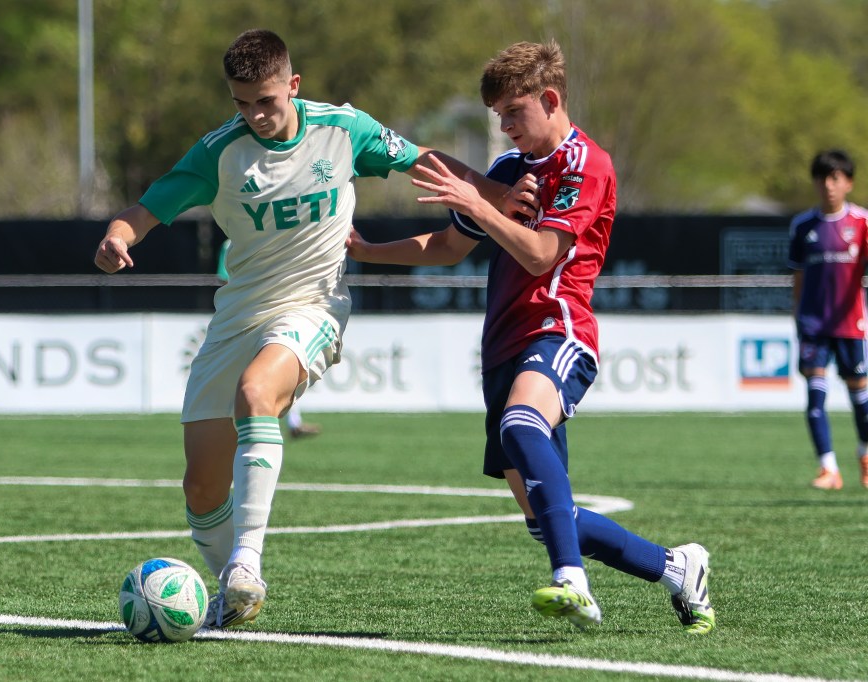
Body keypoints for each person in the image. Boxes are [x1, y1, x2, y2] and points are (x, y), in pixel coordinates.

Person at [94, 29, 504, 629]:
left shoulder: (343, 129)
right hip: (238, 312)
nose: (255, 115)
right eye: (242, 103)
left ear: (293, 85)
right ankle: (232, 595)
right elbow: (146, 210)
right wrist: (117, 237)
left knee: (257, 393)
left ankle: (246, 564)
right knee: (202, 488)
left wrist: (495, 194)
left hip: (314, 302)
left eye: (266, 100)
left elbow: (428, 162)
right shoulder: (219, 153)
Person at [347, 40, 715, 634]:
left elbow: (544, 255)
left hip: (559, 328)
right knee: (548, 516)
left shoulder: (585, 164)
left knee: (523, 425)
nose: (506, 127)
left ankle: (572, 579)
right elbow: (449, 246)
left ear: (550, 100)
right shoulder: (507, 172)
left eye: (514, 113)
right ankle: (677, 568)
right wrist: (368, 252)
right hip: (502, 345)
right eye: (498, 117)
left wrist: (483, 206)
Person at [788, 149, 868, 491]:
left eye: (835, 178)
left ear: (848, 183)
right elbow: (798, 279)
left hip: (851, 325)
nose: (828, 185)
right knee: (815, 398)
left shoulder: (862, 224)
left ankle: (865, 455)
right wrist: (799, 319)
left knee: (860, 401)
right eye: (822, 178)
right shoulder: (803, 226)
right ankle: (828, 469)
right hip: (814, 326)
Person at [216, 237, 320, 439]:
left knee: (282, 371)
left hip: (272, 314)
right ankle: (235, 424)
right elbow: (223, 278)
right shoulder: (230, 245)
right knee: (249, 377)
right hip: (244, 317)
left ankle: (292, 423)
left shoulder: (272, 237)